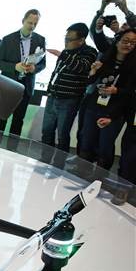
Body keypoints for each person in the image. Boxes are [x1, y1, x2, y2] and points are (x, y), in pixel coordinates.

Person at [78, 29, 136, 171]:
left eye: (133, 43)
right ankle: (82, 173)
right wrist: (93, 71)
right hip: (94, 106)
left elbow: (130, 92)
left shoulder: (134, 65)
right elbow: (90, 81)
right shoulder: (106, 58)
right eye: (125, 41)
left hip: (115, 111)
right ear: (117, 42)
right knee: (86, 141)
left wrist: (116, 91)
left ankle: (100, 177)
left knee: (105, 146)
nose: (128, 45)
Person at [40, 23, 97, 167]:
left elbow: (82, 67)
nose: (66, 42)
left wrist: (62, 55)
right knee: (46, 130)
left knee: (62, 134)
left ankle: (58, 165)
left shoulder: (89, 52)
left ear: (81, 40)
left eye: (69, 39)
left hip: (69, 100)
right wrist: (50, 89)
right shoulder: (67, 52)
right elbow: (57, 72)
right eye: (65, 38)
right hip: (53, 96)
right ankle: (44, 160)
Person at [0, 9, 46, 143]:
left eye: (35, 23)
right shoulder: (8, 39)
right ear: (23, 21)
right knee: (2, 117)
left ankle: (12, 150)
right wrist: (14, 67)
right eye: (29, 22)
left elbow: (43, 64)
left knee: (18, 120)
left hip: (26, 86)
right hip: (8, 85)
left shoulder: (40, 40)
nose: (32, 26)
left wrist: (34, 68)